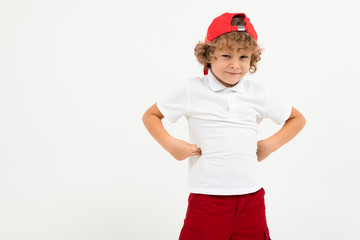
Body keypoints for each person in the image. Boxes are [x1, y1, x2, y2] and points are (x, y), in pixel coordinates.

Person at [142, 12, 306, 240]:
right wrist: (171, 145)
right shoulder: (191, 89)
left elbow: (297, 119)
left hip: (251, 199)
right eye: (226, 55)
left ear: (252, 59)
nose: (235, 65)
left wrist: (269, 144)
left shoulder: (259, 93)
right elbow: (151, 115)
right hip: (208, 200)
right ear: (209, 55)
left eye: (244, 57)